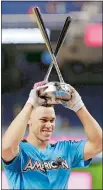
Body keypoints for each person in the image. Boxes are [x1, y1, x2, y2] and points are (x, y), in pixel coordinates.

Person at [2, 81, 102, 189]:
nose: (49, 125)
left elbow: (98, 144)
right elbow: (6, 147)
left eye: (52, 120)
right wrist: (30, 103)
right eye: (43, 120)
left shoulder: (65, 149)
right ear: (29, 119)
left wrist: (79, 106)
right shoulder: (20, 152)